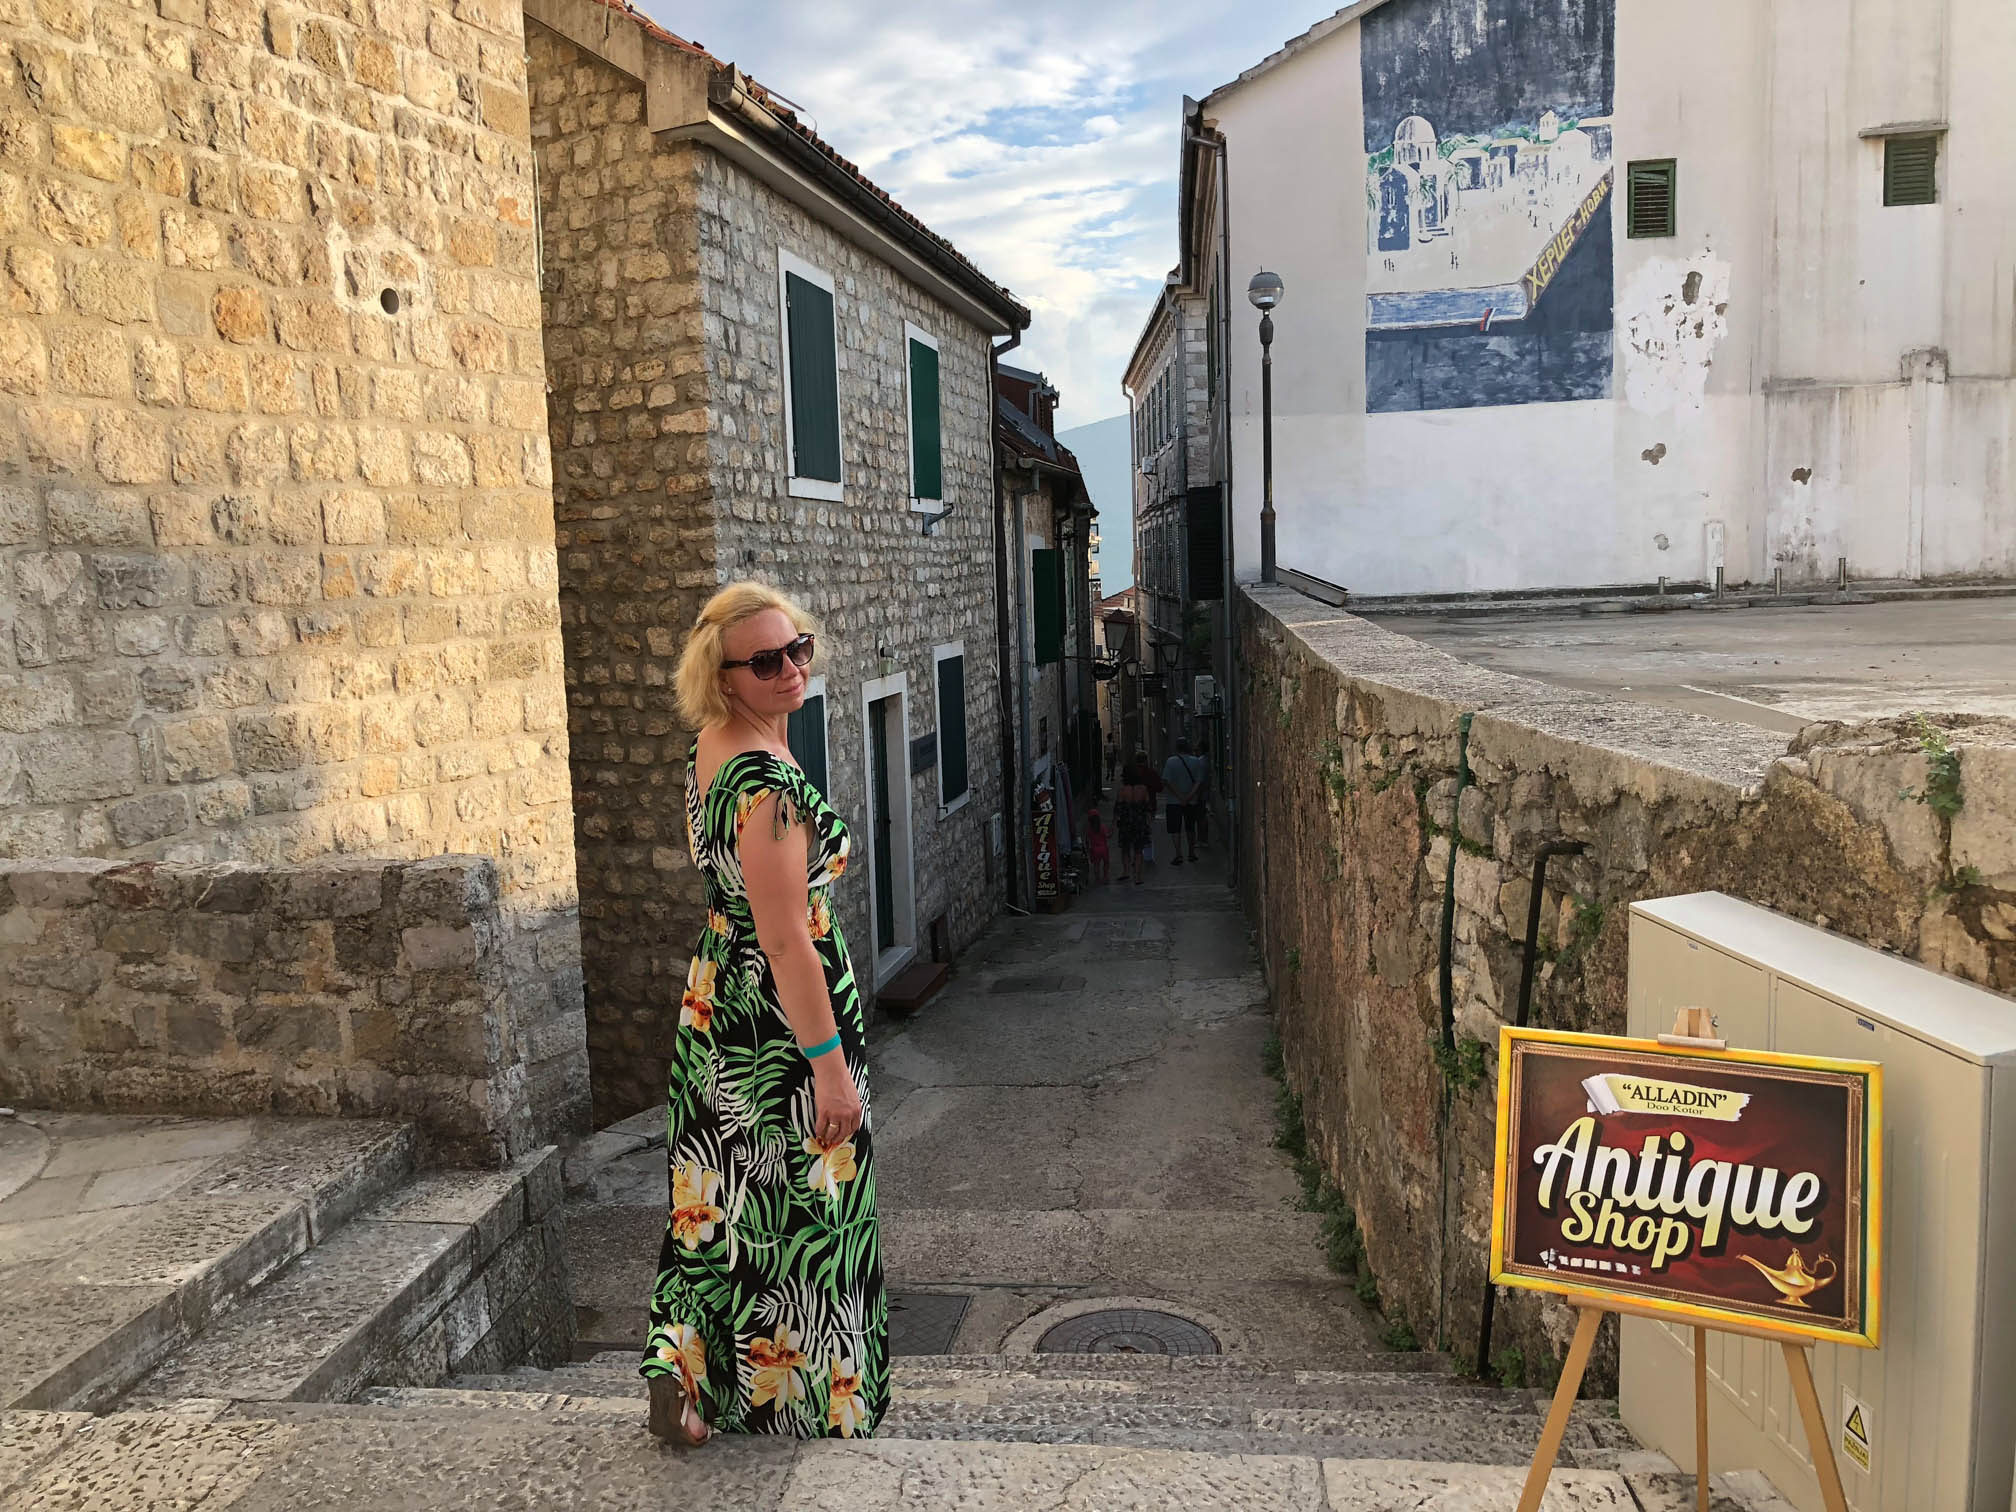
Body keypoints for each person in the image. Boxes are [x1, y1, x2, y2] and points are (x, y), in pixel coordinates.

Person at [641, 583, 886, 1446]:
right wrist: (830, 1069)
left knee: (720, 1201)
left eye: (798, 649)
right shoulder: (768, 784)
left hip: (718, 1004)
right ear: (724, 677)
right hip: (778, 1030)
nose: (792, 669)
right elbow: (786, 941)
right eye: (767, 661)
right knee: (806, 1215)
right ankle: (806, 1410)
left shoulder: (712, 749)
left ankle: (684, 1372)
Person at [1160, 738, 1207, 866]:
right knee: (1190, 827)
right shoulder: (1196, 761)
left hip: (1173, 801)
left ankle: (1178, 854)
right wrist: (1189, 797)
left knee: (1175, 829)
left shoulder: (1170, 761)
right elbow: (1199, 782)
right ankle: (1191, 853)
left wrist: (1180, 797)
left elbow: (1166, 781)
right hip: (1191, 802)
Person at [1112, 760, 1153, 886]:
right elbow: (1148, 808)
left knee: (1125, 849)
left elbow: (1117, 810)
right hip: (1140, 823)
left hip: (1126, 823)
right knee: (1138, 850)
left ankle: (1126, 871)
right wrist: (1149, 823)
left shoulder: (1122, 791)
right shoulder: (1144, 789)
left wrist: (1112, 826)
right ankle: (1138, 876)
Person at [1084, 806, 1110, 885]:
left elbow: (1087, 840)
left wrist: (1088, 849)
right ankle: (1105, 877)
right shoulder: (1102, 827)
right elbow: (1107, 836)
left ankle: (1097, 879)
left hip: (1094, 849)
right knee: (1106, 863)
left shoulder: (1089, 829)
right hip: (1104, 849)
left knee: (1096, 865)